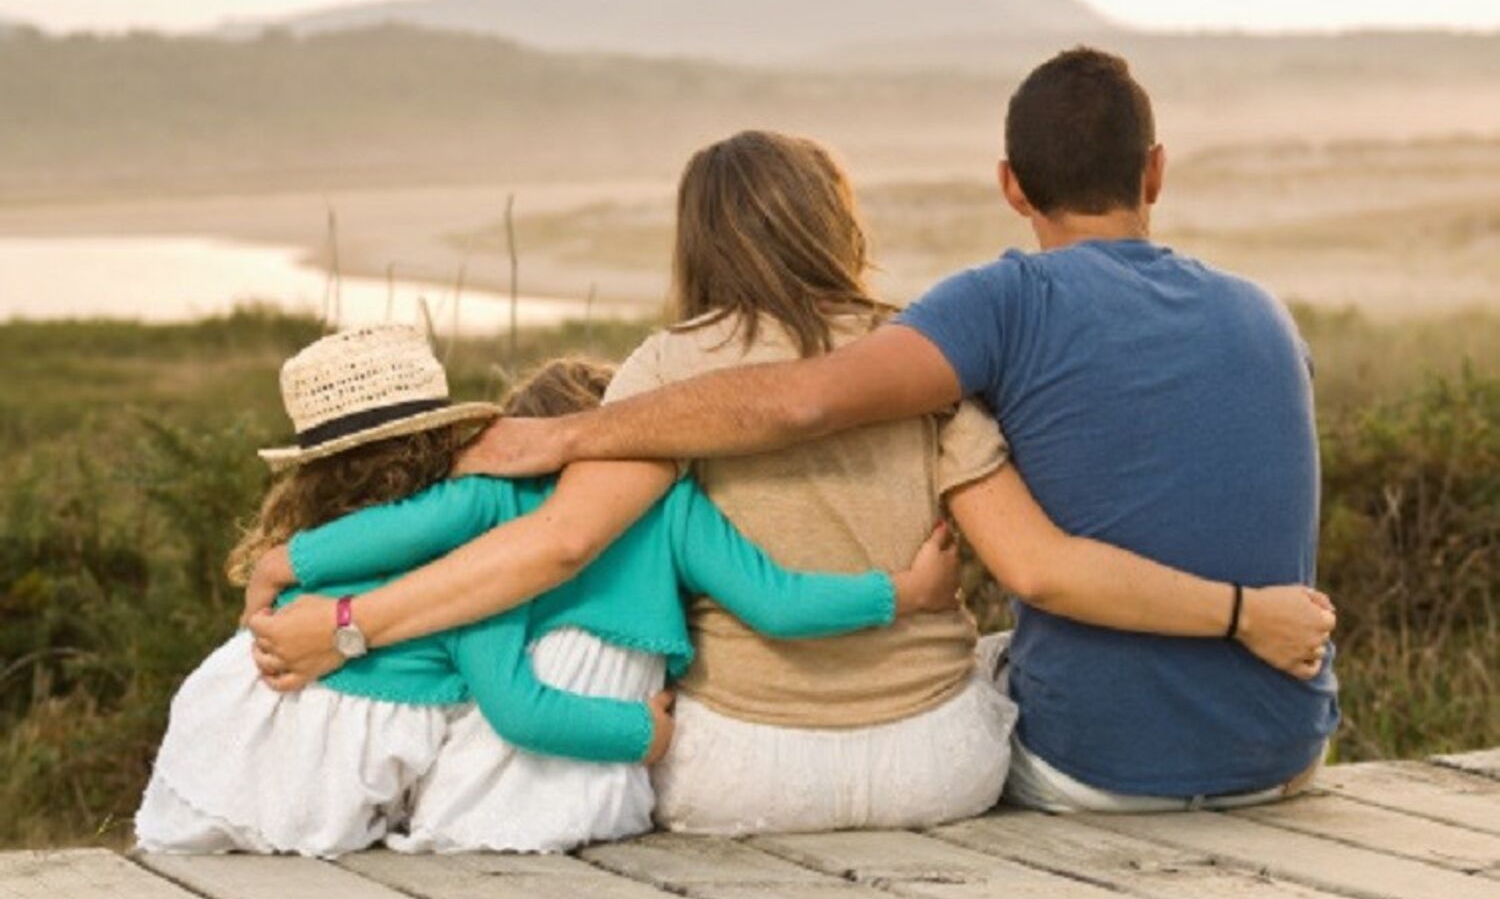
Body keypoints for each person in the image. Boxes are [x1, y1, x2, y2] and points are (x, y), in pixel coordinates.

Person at [247, 124, 1336, 829]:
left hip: (737, 774)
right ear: (838, 224)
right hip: (940, 770)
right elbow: (1032, 565)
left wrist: (348, 625)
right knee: (1008, 661)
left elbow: (557, 545)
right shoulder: (916, 356)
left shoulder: (667, 372)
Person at [136, 328, 961, 857]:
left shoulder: (488, 510)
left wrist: (286, 562)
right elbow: (777, 602)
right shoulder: (670, 504)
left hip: (265, 710)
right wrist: (904, 593)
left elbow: (403, 547)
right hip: (542, 758)